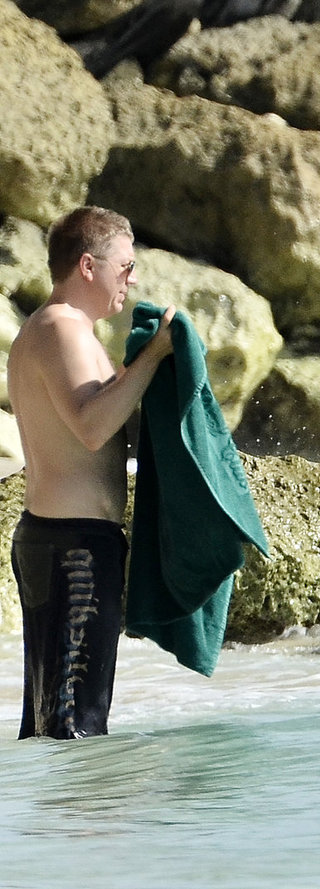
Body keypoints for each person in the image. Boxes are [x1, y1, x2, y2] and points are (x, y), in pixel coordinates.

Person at [8, 206, 174, 738]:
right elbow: (91, 426)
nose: (133, 278)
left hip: (63, 542)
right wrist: (152, 357)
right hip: (73, 551)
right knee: (73, 725)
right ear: (87, 266)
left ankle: (58, 820)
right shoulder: (61, 327)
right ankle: (83, 823)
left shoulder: (64, 329)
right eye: (125, 266)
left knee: (52, 721)